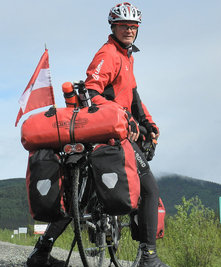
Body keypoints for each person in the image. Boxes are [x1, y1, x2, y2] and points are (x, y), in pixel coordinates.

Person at [26, 2, 168, 267]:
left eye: (133, 26)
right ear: (113, 27)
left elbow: (134, 98)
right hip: (110, 131)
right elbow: (92, 92)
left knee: (76, 197)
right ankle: (149, 257)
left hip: (109, 128)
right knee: (149, 189)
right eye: (124, 25)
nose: (129, 30)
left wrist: (149, 124)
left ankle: (40, 253)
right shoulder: (109, 54)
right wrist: (127, 121)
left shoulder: (126, 57)